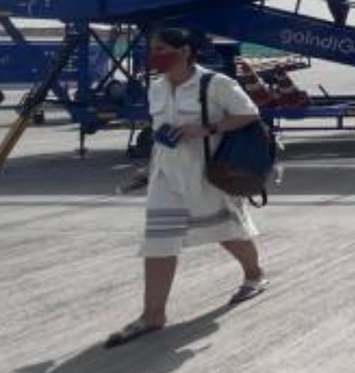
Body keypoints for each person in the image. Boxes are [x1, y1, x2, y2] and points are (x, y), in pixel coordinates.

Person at [104, 27, 268, 347]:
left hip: (206, 174)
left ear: (186, 51)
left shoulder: (215, 84)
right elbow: (160, 132)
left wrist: (206, 129)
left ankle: (254, 274)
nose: (155, 54)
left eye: (162, 48)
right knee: (158, 240)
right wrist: (150, 168)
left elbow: (249, 114)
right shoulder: (156, 87)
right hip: (166, 175)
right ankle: (153, 315)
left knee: (227, 231)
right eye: (153, 48)